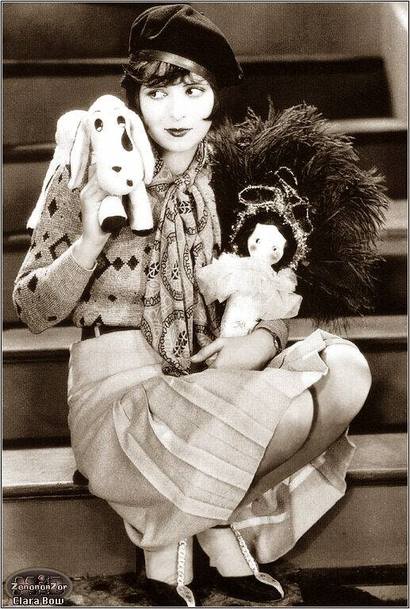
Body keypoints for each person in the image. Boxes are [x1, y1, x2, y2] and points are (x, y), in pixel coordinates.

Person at [13, 5, 375, 606]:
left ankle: (179, 515)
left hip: (203, 371)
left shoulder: (228, 178)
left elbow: (264, 282)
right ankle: (206, 535)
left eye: (193, 91)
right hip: (119, 385)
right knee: (285, 414)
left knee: (346, 373)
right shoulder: (92, 165)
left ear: (214, 98)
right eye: (158, 93)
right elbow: (31, 309)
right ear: (134, 97)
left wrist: (259, 340)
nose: (177, 112)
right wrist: (91, 239)